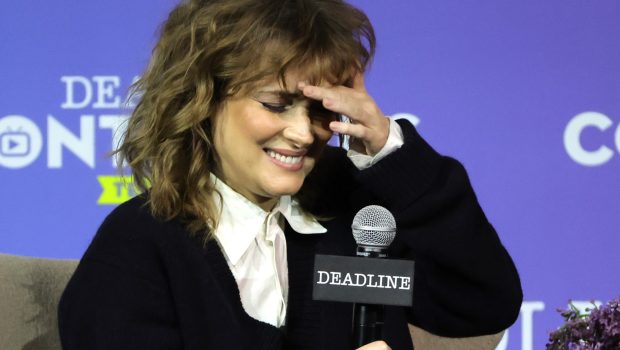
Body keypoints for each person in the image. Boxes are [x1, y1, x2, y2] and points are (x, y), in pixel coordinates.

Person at [58, 0, 522, 349]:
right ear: (202, 100)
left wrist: (389, 153)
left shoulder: (351, 230)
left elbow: (483, 301)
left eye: (321, 109)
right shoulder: (142, 244)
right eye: (276, 105)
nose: (303, 133)